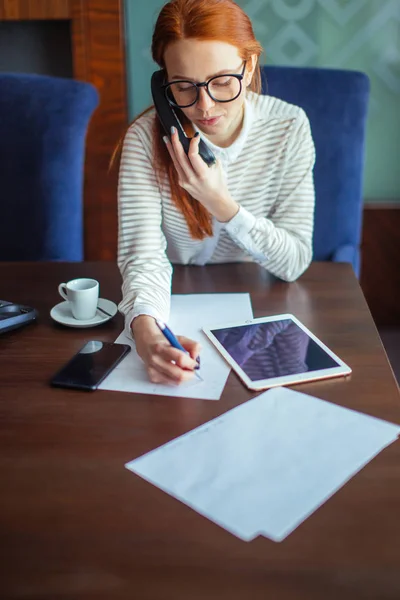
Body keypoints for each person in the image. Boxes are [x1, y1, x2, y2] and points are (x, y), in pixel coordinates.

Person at [117, 0, 316, 386]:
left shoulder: (289, 128)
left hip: (262, 309)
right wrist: (145, 330)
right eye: (183, 86)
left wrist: (220, 203)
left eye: (223, 81)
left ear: (250, 66)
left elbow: (294, 262)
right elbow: (143, 259)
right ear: (163, 83)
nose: (204, 106)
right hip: (175, 302)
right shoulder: (143, 139)